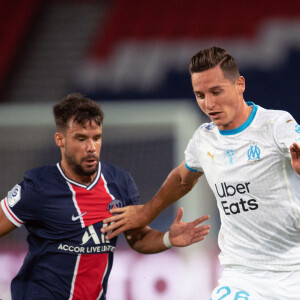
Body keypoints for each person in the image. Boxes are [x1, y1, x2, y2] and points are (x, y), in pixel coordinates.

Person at [101, 46, 300, 300]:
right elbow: (182, 178)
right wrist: (146, 212)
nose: (209, 104)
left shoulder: (276, 125)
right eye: (200, 95)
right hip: (243, 275)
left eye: (216, 92)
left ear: (240, 84)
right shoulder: (204, 140)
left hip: (294, 269)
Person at [0, 93, 211, 299]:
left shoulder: (119, 182)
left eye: (96, 138)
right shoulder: (38, 186)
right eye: (81, 139)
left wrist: (167, 238)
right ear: (60, 140)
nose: (91, 147)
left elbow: (137, 239)